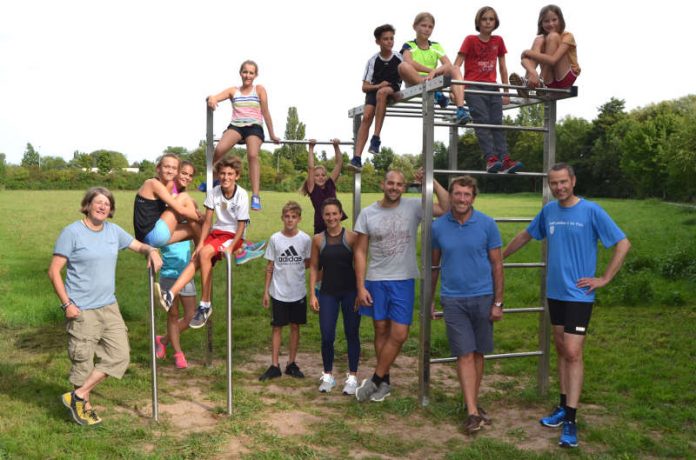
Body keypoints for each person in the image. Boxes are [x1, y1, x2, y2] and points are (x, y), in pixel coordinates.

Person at [503, 163, 630, 448]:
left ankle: (572, 419)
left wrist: (604, 278)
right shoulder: (549, 211)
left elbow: (622, 243)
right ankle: (562, 406)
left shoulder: (591, 210)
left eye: (563, 182)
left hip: (579, 294)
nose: (558, 187)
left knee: (573, 351)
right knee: (561, 348)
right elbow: (526, 235)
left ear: (573, 180)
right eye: (553, 183)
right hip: (556, 292)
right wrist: (500, 256)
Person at [48, 187, 162, 426]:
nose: (102, 207)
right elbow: (54, 271)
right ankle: (83, 405)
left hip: (109, 306)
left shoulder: (113, 231)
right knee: (83, 361)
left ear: (110, 210)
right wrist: (67, 304)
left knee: (120, 356)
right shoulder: (72, 232)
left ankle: (78, 395)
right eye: (97, 202)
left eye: (107, 204)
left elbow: (139, 246)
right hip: (82, 309)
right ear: (87, 205)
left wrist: (151, 250)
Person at [354, 170, 449, 402]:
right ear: (382, 184)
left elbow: (446, 208)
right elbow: (359, 251)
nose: (394, 187)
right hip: (376, 279)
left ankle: (375, 379)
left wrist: (432, 180)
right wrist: (360, 287)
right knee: (380, 329)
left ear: (404, 187)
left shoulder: (414, 207)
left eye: (399, 184)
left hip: (403, 279)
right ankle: (384, 382)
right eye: (390, 183)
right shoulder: (368, 213)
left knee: (400, 333)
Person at [431, 176, 504, 434]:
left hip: (483, 296)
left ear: (473, 197)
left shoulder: (487, 224)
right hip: (453, 299)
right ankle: (473, 412)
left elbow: (497, 264)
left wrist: (498, 301)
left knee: (478, 353)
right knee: (464, 353)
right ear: (450, 196)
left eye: (467, 195)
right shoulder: (438, 227)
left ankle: (471, 400)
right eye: (458, 194)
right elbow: (434, 266)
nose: (462, 199)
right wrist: (429, 301)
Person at [157, 156, 264, 328]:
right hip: (216, 233)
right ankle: (170, 294)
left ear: (236, 176)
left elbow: (242, 225)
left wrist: (231, 247)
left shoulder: (242, 194)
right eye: (222, 174)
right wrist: (199, 244)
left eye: (230, 174)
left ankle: (205, 304)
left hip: (233, 235)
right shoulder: (214, 192)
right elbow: (207, 221)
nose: (226, 177)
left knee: (206, 253)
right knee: (198, 256)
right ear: (218, 175)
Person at [454, 6, 523, 174]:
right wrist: (456, 88)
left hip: (493, 87)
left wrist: (506, 91)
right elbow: (457, 64)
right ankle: (491, 159)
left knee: (497, 124)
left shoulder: (498, 41)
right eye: (484, 19)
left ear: (495, 22)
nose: (488, 22)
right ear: (478, 21)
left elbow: (503, 67)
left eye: (491, 19)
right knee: (482, 122)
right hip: (473, 86)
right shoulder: (470, 40)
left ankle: (505, 159)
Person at [207, 59, 281, 211]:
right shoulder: (233, 90)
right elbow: (214, 97)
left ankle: (255, 195)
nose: (248, 75)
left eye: (251, 73)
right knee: (219, 150)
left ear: (255, 75)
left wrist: (272, 134)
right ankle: (213, 179)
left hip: (254, 127)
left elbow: (265, 112)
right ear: (240, 73)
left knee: (252, 154)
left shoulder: (259, 89)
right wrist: (211, 100)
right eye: (245, 72)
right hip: (237, 126)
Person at [309, 198, 361, 394]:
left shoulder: (352, 238)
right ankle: (328, 375)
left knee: (352, 333)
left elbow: (359, 266)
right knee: (327, 335)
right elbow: (314, 266)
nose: (331, 217)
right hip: (327, 293)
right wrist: (313, 293)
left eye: (334, 213)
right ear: (322, 217)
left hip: (350, 292)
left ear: (341, 214)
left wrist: (360, 290)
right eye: (327, 214)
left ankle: (353, 376)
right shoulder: (318, 240)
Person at [259, 201, 312, 381]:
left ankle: (291, 363)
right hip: (278, 292)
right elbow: (270, 266)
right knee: (277, 327)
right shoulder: (275, 239)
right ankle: (274, 365)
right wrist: (266, 291)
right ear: (282, 218)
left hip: (298, 291)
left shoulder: (305, 239)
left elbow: (308, 262)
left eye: (294, 217)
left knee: (295, 326)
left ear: (299, 219)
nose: (290, 220)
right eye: (287, 217)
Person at [155, 160, 198, 369]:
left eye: (190, 175)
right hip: (168, 269)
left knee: (191, 315)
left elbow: (195, 218)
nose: (186, 177)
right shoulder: (167, 195)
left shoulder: (187, 199)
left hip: (185, 269)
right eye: (184, 173)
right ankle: (178, 353)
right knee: (172, 314)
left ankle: (163, 340)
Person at [398, 12, 471, 125]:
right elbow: (409, 62)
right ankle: (436, 92)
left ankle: (460, 109)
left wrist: (435, 71)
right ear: (415, 27)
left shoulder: (436, 46)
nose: (427, 29)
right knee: (402, 66)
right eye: (423, 25)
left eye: (430, 27)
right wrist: (430, 71)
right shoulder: (409, 45)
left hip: (433, 79)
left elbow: (448, 64)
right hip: (416, 80)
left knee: (455, 68)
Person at [350, 24, 403, 170]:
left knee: (383, 92)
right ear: (378, 41)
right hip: (376, 89)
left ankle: (376, 137)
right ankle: (357, 158)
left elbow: (407, 71)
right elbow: (365, 87)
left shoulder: (399, 57)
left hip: (392, 88)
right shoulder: (372, 61)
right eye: (385, 39)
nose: (389, 42)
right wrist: (378, 85)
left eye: (391, 38)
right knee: (366, 116)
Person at [509, 4, 581, 97]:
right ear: (541, 23)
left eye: (554, 20)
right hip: (549, 82)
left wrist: (528, 52)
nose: (551, 24)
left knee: (553, 36)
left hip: (564, 78)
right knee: (539, 39)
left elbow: (553, 60)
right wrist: (532, 71)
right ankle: (528, 83)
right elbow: (523, 60)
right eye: (546, 21)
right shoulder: (540, 40)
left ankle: (539, 80)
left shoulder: (568, 36)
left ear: (560, 20)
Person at [134, 153, 202, 248]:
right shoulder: (152, 183)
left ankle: (201, 257)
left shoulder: (166, 186)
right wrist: (204, 219)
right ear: (158, 168)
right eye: (166, 167)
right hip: (153, 235)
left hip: (150, 238)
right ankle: (206, 235)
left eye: (174, 168)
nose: (170, 171)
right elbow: (180, 210)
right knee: (184, 197)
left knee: (194, 229)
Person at [300, 138, 347, 234]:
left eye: (323, 175)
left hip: (334, 223)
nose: (321, 177)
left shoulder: (330, 184)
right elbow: (311, 167)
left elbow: (339, 164)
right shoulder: (312, 188)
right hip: (321, 225)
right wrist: (311, 148)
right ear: (312, 177)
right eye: (317, 175)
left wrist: (336, 146)